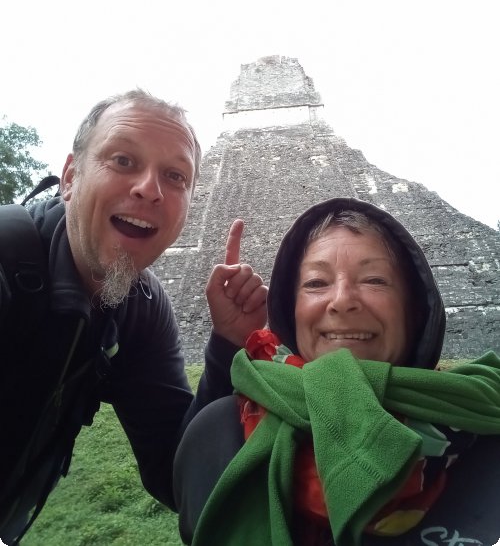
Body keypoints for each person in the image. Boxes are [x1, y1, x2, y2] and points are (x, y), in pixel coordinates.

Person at [0, 89, 267, 544]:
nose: (150, 188)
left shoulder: (140, 307)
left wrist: (227, 346)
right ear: (69, 178)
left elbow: (174, 472)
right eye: (123, 160)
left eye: (175, 175)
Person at [173, 197, 500, 546]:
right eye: (316, 283)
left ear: (416, 310)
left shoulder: (484, 434)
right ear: (290, 310)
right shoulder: (217, 437)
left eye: (374, 279)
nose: (342, 300)